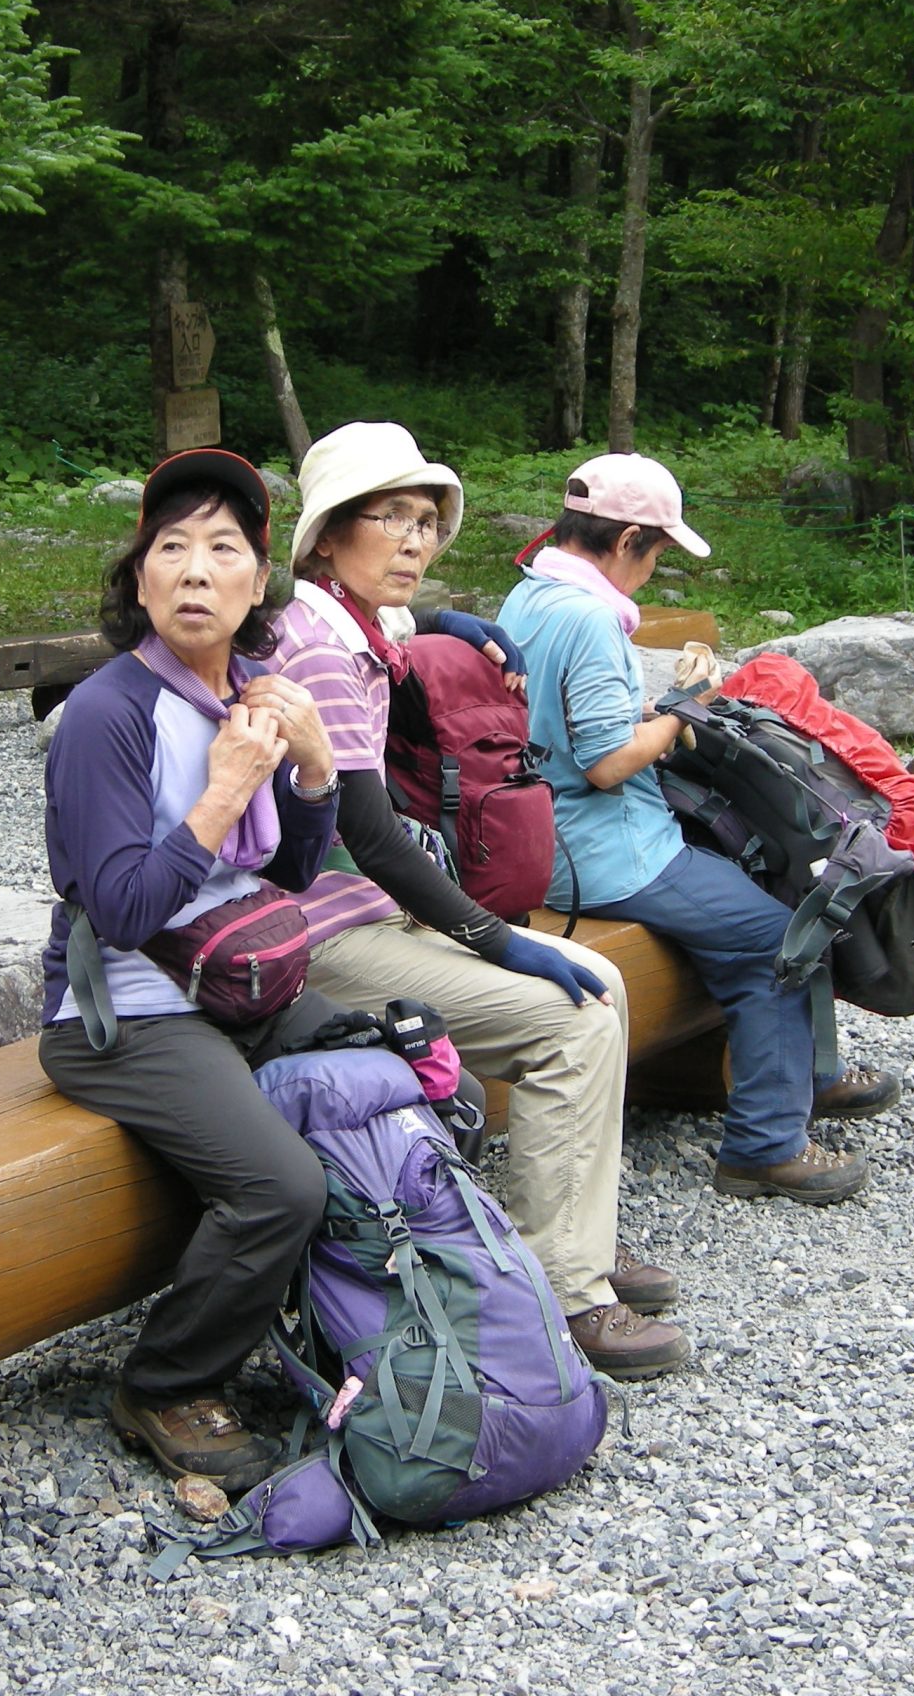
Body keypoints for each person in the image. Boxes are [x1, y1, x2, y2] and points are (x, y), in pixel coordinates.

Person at [270, 422, 689, 1379]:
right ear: (328, 534)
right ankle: (561, 1289)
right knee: (567, 1017)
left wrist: (450, 623)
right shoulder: (321, 653)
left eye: (427, 522)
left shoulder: (353, 621)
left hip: (364, 910)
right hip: (316, 932)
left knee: (602, 981)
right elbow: (373, 836)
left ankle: (572, 1233)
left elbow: (400, 630)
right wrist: (499, 939)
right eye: (391, 518)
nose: (416, 541)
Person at [35, 448, 344, 1497]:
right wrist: (223, 792)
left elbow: (290, 872)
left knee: (420, 1064)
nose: (196, 570)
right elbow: (123, 910)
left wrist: (312, 769)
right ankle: (167, 1382)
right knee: (279, 1188)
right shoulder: (108, 712)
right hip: (122, 1013)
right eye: (170, 548)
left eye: (223, 548)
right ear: (139, 579)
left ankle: (351, 1318)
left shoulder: (247, 696)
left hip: (234, 982)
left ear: (260, 584)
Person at [499, 455, 898, 1210]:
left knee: (752, 884)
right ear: (627, 541)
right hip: (605, 851)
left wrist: (656, 713)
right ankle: (765, 1148)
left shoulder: (528, 596)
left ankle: (808, 1074)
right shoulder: (590, 619)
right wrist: (687, 705)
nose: (653, 570)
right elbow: (608, 764)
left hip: (539, 835)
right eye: (656, 552)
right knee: (780, 935)